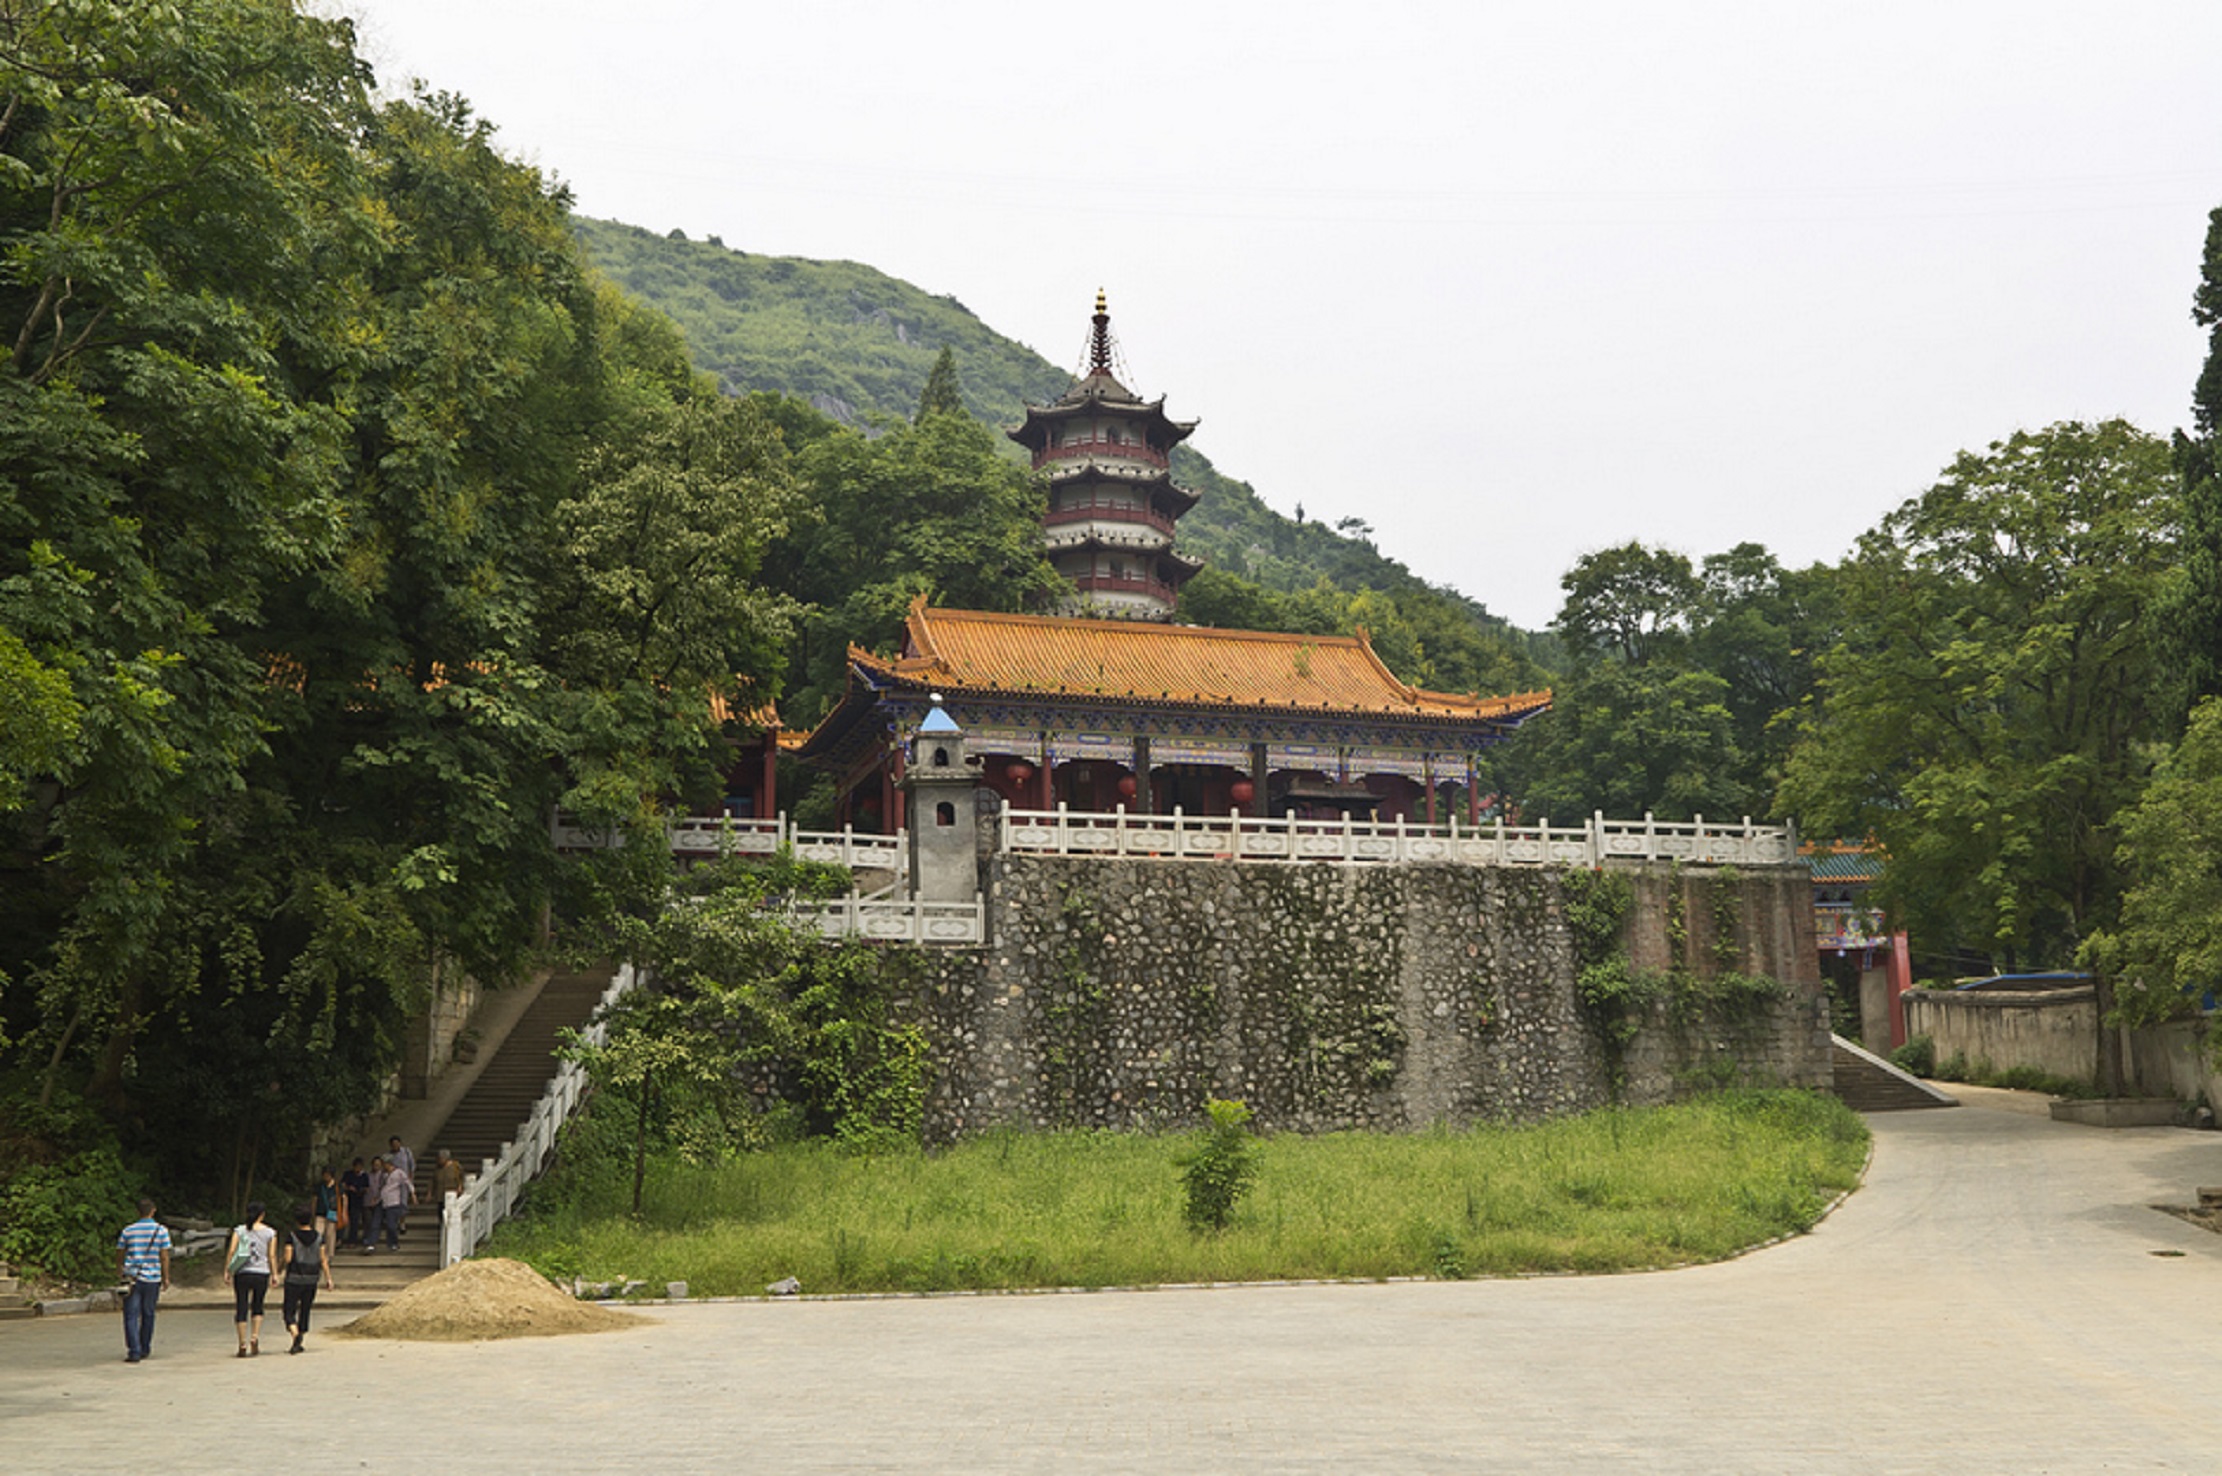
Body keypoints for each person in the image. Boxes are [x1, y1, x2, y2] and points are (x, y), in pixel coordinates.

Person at [114, 1199, 171, 1364]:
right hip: (153, 1278)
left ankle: (134, 1351)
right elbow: (164, 1256)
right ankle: (145, 1347)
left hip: (132, 1277)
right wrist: (166, 1276)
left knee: (131, 1315)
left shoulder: (128, 1230)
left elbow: (120, 1251)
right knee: (148, 1313)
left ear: (137, 1212)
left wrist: (120, 1268)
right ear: (153, 1211)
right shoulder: (161, 1231)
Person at [277, 1204, 333, 1354]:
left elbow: (288, 1258)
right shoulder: (318, 1237)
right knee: (305, 1309)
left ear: (296, 1220)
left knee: (289, 1310)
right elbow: (323, 1259)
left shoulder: (292, 1236)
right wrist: (328, 1279)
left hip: (294, 1277)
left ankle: (295, 1334)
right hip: (312, 1277)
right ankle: (301, 1335)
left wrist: (279, 1268)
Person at [223, 1201, 276, 1357]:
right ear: (262, 1214)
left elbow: (232, 1251)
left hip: (242, 1272)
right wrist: (274, 1274)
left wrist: (228, 1270)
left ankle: (242, 1343)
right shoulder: (270, 1233)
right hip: (261, 1272)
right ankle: (254, 1336)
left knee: (241, 1306)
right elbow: (271, 1255)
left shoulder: (239, 1230)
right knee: (258, 1306)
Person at [370, 1154, 410, 1252]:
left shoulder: (399, 1173)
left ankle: (393, 1243)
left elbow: (407, 1182)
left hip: (393, 1202)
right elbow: (381, 1187)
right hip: (382, 1201)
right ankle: (371, 1243)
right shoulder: (383, 1174)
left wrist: (412, 1194)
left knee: (391, 1225)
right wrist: (376, 1198)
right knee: (375, 1223)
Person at [340, 1157, 369, 1247]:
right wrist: (349, 1188)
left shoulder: (364, 1176)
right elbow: (342, 1184)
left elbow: (367, 1187)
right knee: (348, 1221)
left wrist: (361, 1190)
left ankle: (356, 1239)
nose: (357, 1169)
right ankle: (345, 1239)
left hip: (359, 1200)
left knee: (357, 1221)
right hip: (349, 1199)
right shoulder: (348, 1174)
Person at [314, 1166, 343, 1251]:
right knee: (317, 1233)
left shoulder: (337, 1186)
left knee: (330, 1236)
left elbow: (343, 1198)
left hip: (332, 1213)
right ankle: (317, 1253)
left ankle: (329, 1255)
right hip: (320, 1213)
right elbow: (315, 1199)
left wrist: (342, 1212)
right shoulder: (319, 1186)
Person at [433, 1148, 463, 1224]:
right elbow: (433, 1180)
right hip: (441, 1194)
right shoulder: (438, 1168)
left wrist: (459, 1187)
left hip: (452, 1193)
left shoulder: (455, 1166)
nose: (439, 1160)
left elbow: (461, 1177)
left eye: (440, 1159)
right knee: (441, 1212)